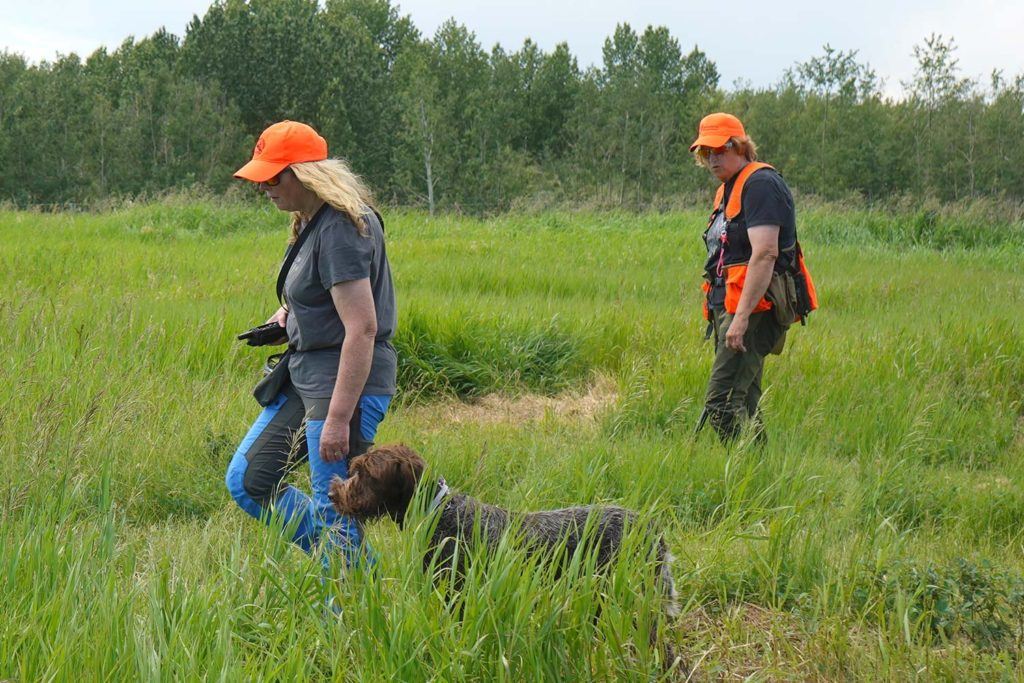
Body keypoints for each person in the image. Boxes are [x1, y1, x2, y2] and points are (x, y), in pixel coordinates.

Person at [224, 120, 397, 571]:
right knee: (250, 480)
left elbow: (361, 328)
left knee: (333, 506)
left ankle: (349, 615)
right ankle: (359, 570)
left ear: (305, 174)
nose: (264, 186)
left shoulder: (340, 227)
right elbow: (325, 299)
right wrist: (287, 318)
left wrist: (339, 419)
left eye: (273, 175)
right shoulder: (313, 222)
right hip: (308, 376)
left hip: (340, 386)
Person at [690, 112, 814, 443]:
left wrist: (740, 319)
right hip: (728, 304)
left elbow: (765, 254)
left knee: (722, 403)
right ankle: (758, 471)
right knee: (744, 399)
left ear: (740, 146)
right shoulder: (728, 189)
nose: (712, 159)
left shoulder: (761, 184)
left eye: (719, 149)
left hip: (753, 307)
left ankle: (742, 472)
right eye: (706, 153)